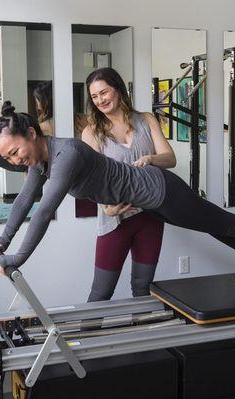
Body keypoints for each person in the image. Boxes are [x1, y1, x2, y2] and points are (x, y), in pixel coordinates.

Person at [0, 101, 235, 297]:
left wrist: (18, 258)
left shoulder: (65, 154)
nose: (14, 160)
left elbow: (43, 211)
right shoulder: (41, 163)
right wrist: (4, 240)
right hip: (152, 204)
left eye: (14, 151)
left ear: (31, 133)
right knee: (211, 225)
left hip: (162, 192)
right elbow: (25, 201)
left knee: (226, 222)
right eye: (6, 157)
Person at [81, 68, 176, 301]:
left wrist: (151, 159)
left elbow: (170, 159)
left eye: (104, 92)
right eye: (94, 97)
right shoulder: (92, 132)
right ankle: (88, 338)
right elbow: (92, 180)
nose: (100, 100)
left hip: (152, 215)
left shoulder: (146, 119)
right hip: (116, 219)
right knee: (101, 291)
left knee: (143, 289)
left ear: (119, 89)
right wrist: (106, 207)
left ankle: (141, 336)